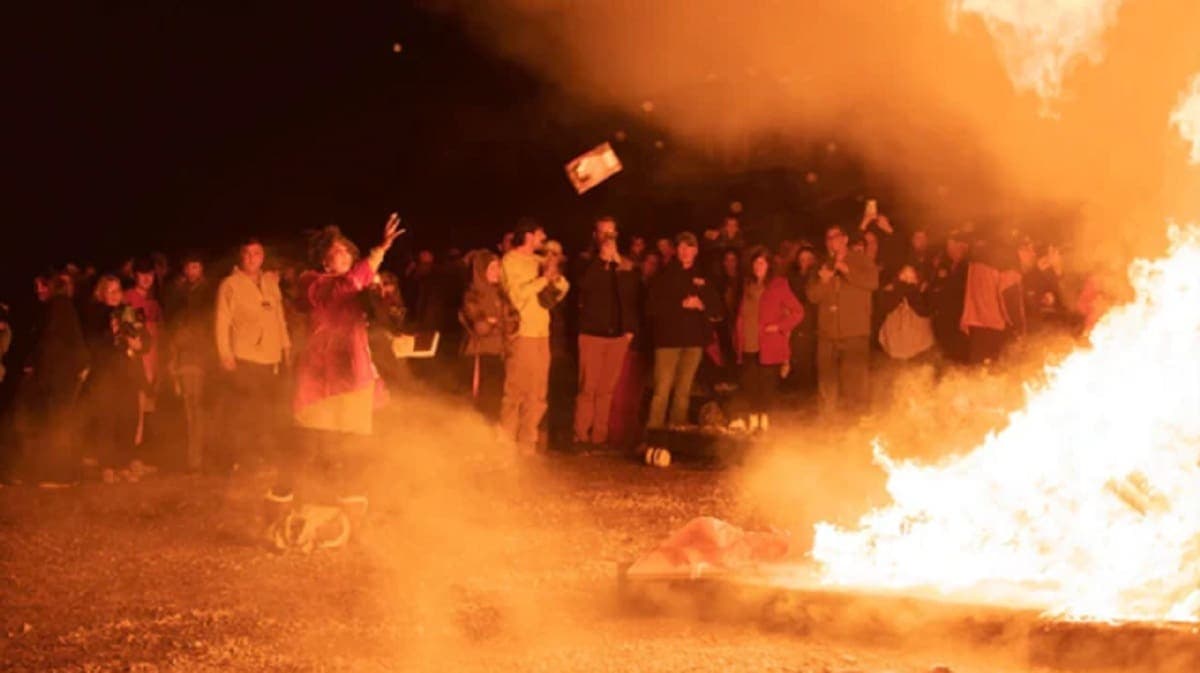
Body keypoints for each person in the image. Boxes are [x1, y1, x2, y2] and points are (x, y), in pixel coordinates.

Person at [278, 215, 403, 530]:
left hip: (353, 376)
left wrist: (382, 298)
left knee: (353, 448)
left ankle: (351, 517)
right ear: (324, 258)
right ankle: (285, 508)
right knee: (309, 446)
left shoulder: (359, 286)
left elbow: (383, 318)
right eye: (337, 251)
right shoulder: (313, 282)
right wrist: (380, 252)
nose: (345, 256)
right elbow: (344, 287)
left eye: (349, 252)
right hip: (319, 379)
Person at [215, 238, 291, 472]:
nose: (252, 258)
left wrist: (286, 347)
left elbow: (279, 316)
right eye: (247, 254)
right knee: (246, 410)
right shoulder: (230, 284)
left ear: (262, 257)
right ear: (241, 256)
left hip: (271, 356)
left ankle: (262, 456)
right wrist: (224, 353)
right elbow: (222, 320)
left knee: (267, 411)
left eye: (256, 253)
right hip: (246, 355)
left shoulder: (270, 281)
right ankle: (243, 458)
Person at [500, 219, 569, 454]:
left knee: (538, 392)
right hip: (522, 332)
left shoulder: (539, 260)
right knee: (516, 390)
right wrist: (543, 279)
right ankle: (506, 439)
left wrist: (555, 277)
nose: (544, 237)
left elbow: (564, 287)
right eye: (541, 234)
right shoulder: (510, 261)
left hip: (541, 333)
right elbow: (517, 296)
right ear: (528, 235)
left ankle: (527, 442)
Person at [645, 232, 723, 429]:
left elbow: (717, 308)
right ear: (675, 250)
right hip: (668, 341)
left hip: (693, 341)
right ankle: (654, 431)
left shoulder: (702, 278)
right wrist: (680, 304)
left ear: (695, 251)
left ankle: (676, 431)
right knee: (662, 389)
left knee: (684, 390)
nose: (685, 251)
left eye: (689, 247)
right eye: (681, 247)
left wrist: (701, 304)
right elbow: (651, 308)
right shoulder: (663, 276)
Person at [574, 217, 639, 449]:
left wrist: (629, 329)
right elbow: (584, 286)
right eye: (604, 233)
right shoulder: (586, 261)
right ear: (596, 236)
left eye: (611, 233)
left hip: (618, 336)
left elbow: (631, 297)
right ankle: (581, 435)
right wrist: (601, 261)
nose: (608, 238)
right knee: (588, 387)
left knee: (606, 390)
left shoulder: (625, 265)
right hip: (592, 333)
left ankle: (599, 438)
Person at [23, 273, 89, 481]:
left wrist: (37, 367)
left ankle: (62, 474)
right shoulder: (56, 307)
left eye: (43, 285)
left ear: (52, 286)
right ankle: (60, 471)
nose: (38, 290)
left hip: (61, 375)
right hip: (61, 374)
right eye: (36, 286)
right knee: (59, 421)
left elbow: (53, 344)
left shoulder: (59, 306)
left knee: (59, 422)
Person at [807, 225, 879, 415]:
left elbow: (872, 283)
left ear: (845, 239)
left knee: (855, 383)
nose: (832, 241)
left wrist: (846, 270)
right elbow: (812, 297)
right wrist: (823, 281)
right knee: (827, 384)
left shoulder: (861, 260)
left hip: (854, 332)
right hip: (827, 334)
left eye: (836, 237)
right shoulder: (820, 265)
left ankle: (857, 424)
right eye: (828, 238)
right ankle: (828, 426)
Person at [81, 275, 145, 482]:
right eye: (111, 291)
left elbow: (144, 338)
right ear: (101, 294)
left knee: (128, 417)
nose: (116, 295)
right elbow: (93, 343)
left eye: (118, 290)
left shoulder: (129, 312)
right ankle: (107, 465)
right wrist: (113, 333)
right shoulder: (95, 315)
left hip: (127, 373)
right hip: (106, 374)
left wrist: (140, 344)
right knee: (107, 419)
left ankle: (124, 463)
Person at [732, 247, 803, 432]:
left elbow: (798, 312)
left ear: (769, 265)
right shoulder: (747, 285)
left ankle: (764, 423)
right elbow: (741, 313)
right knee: (750, 385)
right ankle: (752, 421)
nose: (758, 266)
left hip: (768, 345)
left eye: (762, 262)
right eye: (755, 262)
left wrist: (779, 326)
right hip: (748, 343)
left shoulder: (779, 285)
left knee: (766, 386)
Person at [165, 254, 216, 473]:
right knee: (189, 407)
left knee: (200, 408)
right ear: (185, 269)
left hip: (203, 355)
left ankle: (201, 457)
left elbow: (212, 321)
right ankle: (192, 458)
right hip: (185, 354)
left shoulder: (209, 292)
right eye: (189, 266)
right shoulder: (178, 292)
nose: (193, 270)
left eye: (197, 266)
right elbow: (173, 322)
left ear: (201, 268)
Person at [461, 250, 517, 422]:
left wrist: (496, 322)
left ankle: (491, 441)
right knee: (480, 400)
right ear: (481, 271)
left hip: (499, 353)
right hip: (480, 354)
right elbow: (479, 327)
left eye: (498, 268)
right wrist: (493, 323)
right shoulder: (472, 296)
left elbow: (514, 321)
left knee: (496, 400)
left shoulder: (502, 294)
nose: (497, 272)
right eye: (492, 268)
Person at [124, 258, 163, 445]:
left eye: (150, 274)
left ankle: (144, 450)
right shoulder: (129, 297)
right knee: (137, 403)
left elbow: (159, 331)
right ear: (135, 275)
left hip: (153, 357)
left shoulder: (154, 303)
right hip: (138, 357)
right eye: (143, 274)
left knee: (149, 404)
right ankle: (133, 449)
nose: (147, 278)